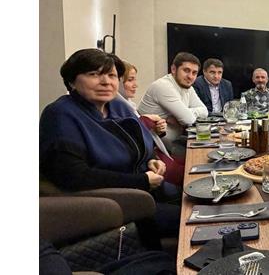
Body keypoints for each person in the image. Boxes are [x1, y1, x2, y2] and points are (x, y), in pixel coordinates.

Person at [39, 48, 180, 245]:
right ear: (71, 81)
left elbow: (143, 144)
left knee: (210, 203)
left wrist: (151, 160)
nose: (106, 82)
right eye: (94, 74)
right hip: (119, 204)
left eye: (112, 75)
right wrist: (141, 181)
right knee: (198, 219)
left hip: (152, 191)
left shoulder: (118, 106)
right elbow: (73, 176)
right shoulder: (60, 114)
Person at [137, 52, 208, 157]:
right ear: (174, 69)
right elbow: (188, 120)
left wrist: (182, 115)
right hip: (156, 149)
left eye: (194, 73)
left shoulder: (187, 87)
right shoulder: (163, 86)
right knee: (203, 156)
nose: (190, 76)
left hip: (175, 140)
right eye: (186, 70)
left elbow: (204, 111)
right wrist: (184, 116)